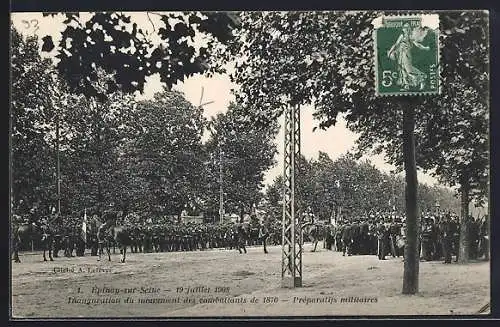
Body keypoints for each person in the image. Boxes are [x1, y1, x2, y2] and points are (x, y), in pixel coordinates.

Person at [387, 22, 430, 90]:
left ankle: (422, 79)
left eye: (407, 28)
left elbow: (417, 44)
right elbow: (396, 44)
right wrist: (390, 51)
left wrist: (424, 48)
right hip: (400, 54)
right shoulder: (402, 36)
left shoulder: (410, 37)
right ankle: (406, 85)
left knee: (409, 69)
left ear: (409, 29)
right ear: (403, 29)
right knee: (402, 69)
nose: (406, 29)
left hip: (406, 54)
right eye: (404, 28)